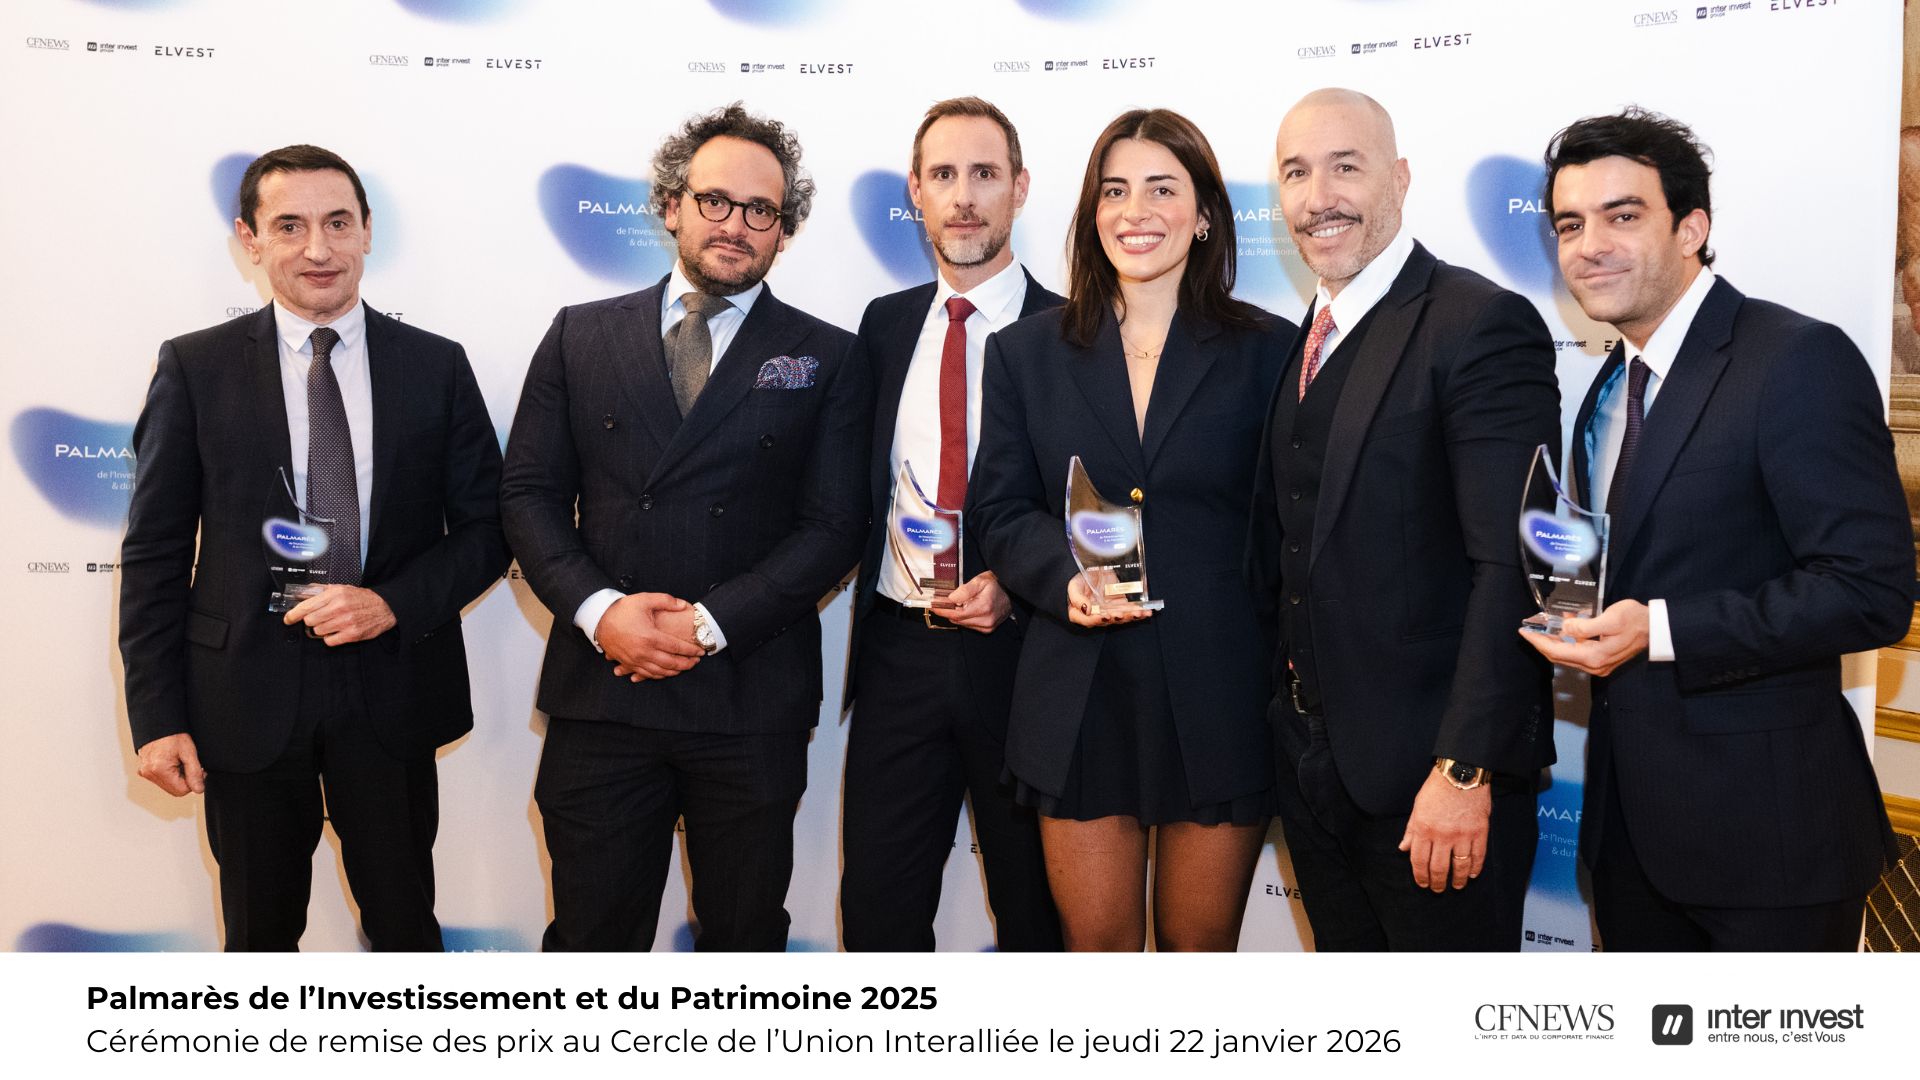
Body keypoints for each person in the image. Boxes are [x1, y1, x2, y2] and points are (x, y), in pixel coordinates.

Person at [1527, 108, 1910, 951]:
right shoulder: (1608, 385)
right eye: (1570, 224)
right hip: (1629, 838)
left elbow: (1871, 590)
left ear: (1691, 228)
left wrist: (1658, 629)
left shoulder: (1795, 359)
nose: (1590, 245)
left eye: (1623, 215)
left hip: (1770, 846)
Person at [119, 144, 509, 951]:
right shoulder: (195, 367)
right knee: (258, 939)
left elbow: (488, 529)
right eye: (289, 226)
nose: (318, 248)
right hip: (242, 700)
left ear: (367, 230)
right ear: (250, 239)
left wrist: (390, 604)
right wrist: (157, 718)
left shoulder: (435, 366)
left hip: (391, 694)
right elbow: (155, 553)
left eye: (337, 222)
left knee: (406, 931)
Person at [501, 103, 871, 952]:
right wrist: (603, 613)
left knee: (744, 940)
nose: (735, 225)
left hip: (749, 696)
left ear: (785, 231)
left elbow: (833, 526)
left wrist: (707, 625)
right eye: (714, 201)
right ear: (672, 206)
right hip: (603, 691)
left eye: (761, 210)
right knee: (592, 940)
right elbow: (527, 495)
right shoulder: (581, 334)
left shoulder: (830, 355)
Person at [969, 108, 1294, 951]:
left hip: (1220, 691)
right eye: (1114, 191)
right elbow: (1001, 510)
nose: (1135, 211)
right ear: (1091, 212)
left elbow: (1288, 530)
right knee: (1098, 956)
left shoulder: (1272, 352)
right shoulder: (1025, 353)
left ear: (1205, 213)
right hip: (1079, 693)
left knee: (1197, 955)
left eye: (1162, 189)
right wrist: (1061, 579)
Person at [1250, 88, 1560, 951]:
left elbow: (1518, 567)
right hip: (1312, 768)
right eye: (1296, 174)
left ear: (1399, 178)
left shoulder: (1478, 323)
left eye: (1345, 167)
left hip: (1434, 785)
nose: (1319, 198)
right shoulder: (1303, 336)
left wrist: (1464, 768)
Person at [841, 97, 1062, 952]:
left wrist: (1019, 581)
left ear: (1020, 188)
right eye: (943, 175)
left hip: (1027, 661)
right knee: (878, 920)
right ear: (916, 192)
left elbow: (1101, 506)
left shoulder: (1075, 332)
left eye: (985, 173)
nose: (964, 196)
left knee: (1036, 918)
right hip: (898, 655)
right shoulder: (884, 324)